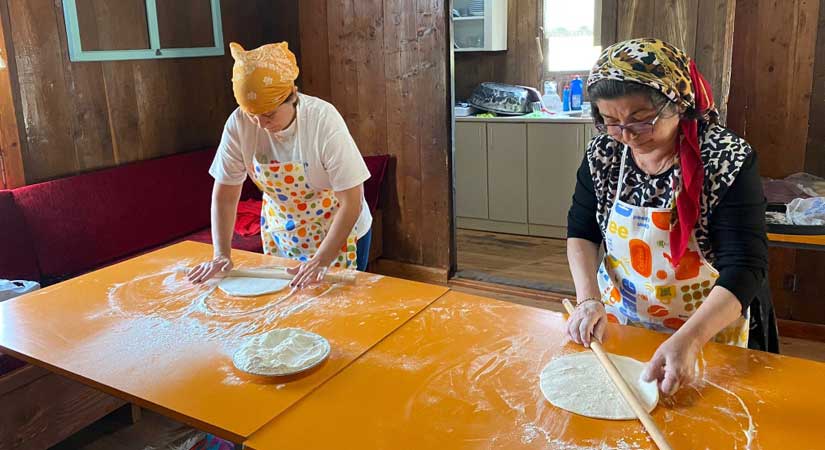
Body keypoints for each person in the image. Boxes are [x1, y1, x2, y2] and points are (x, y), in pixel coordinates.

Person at [565, 38, 778, 395]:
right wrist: (588, 300)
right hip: (621, 323)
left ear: (679, 104)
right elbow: (582, 230)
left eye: (641, 120)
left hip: (707, 330)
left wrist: (691, 340)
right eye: (611, 122)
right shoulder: (604, 152)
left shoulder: (725, 159)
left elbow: (745, 265)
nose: (627, 135)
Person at [187, 42, 372, 287]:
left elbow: (352, 200)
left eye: (269, 115)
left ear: (293, 95)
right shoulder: (239, 124)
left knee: (335, 310)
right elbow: (225, 195)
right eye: (253, 115)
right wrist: (221, 255)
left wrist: (321, 260)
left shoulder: (322, 121)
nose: (261, 124)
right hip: (283, 231)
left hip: (337, 228)